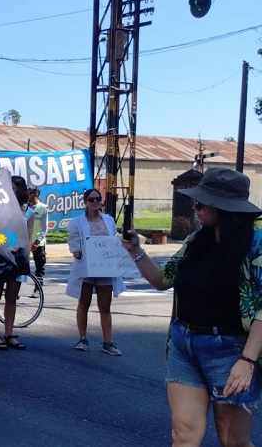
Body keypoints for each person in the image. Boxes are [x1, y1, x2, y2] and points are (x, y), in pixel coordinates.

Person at [122, 168, 262, 446]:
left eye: (201, 201)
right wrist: (136, 251)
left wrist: (247, 361)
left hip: (231, 350)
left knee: (232, 440)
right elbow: (162, 279)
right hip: (184, 344)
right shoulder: (197, 240)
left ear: (224, 206)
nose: (194, 206)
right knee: (183, 433)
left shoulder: (255, 245)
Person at [66, 188, 126, 355]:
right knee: (83, 303)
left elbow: (113, 239)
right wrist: (75, 250)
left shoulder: (108, 220)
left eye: (98, 199)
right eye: (91, 200)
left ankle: (108, 342)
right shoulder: (78, 221)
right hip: (86, 267)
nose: (95, 202)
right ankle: (82, 338)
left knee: (105, 306)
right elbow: (73, 240)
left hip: (105, 268)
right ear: (85, 202)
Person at [0, 176, 31, 351]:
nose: (12, 190)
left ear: (21, 190)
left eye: (15, 188)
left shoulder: (28, 211)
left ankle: (9, 334)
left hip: (18, 258)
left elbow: (28, 236)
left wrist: (26, 259)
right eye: (10, 187)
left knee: (12, 297)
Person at [26, 186, 48, 298]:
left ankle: (37, 289)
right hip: (25, 241)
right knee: (21, 266)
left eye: (29, 193)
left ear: (35, 195)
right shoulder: (25, 208)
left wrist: (36, 242)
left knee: (40, 266)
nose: (27, 195)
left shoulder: (43, 208)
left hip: (38, 243)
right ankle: (15, 291)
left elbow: (44, 228)